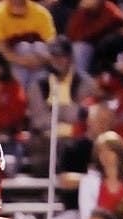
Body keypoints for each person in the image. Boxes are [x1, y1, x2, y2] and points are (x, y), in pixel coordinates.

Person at [26, 35, 95, 178]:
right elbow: (39, 118)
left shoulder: (86, 83)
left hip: (76, 137)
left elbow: (80, 115)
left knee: (79, 145)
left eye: (62, 56)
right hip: (46, 137)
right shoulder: (38, 84)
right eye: (54, 56)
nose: (57, 60)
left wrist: (61, 115)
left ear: (70, 57)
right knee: (42, 142)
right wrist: (57, 125)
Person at [0, 0, 56, 87]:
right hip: (9, 64)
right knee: (23, 48)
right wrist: (22, 60)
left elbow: (52, 46)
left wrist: (38, 61)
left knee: (38, 46)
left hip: (38, 64)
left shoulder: (41, 13)